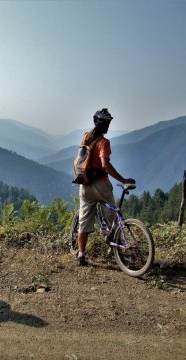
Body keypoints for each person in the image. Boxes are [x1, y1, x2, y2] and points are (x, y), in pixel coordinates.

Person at [76, 108, 135, 266]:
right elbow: (105, 165)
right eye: (108, 123)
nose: (109, 125)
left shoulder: (85, 137)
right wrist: (122, 179)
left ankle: (81, 255)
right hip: (101, 184)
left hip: (85, 183)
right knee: (113, 218)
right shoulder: (104, 142)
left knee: (84, 221)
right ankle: (119, 252)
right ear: (105, 124)